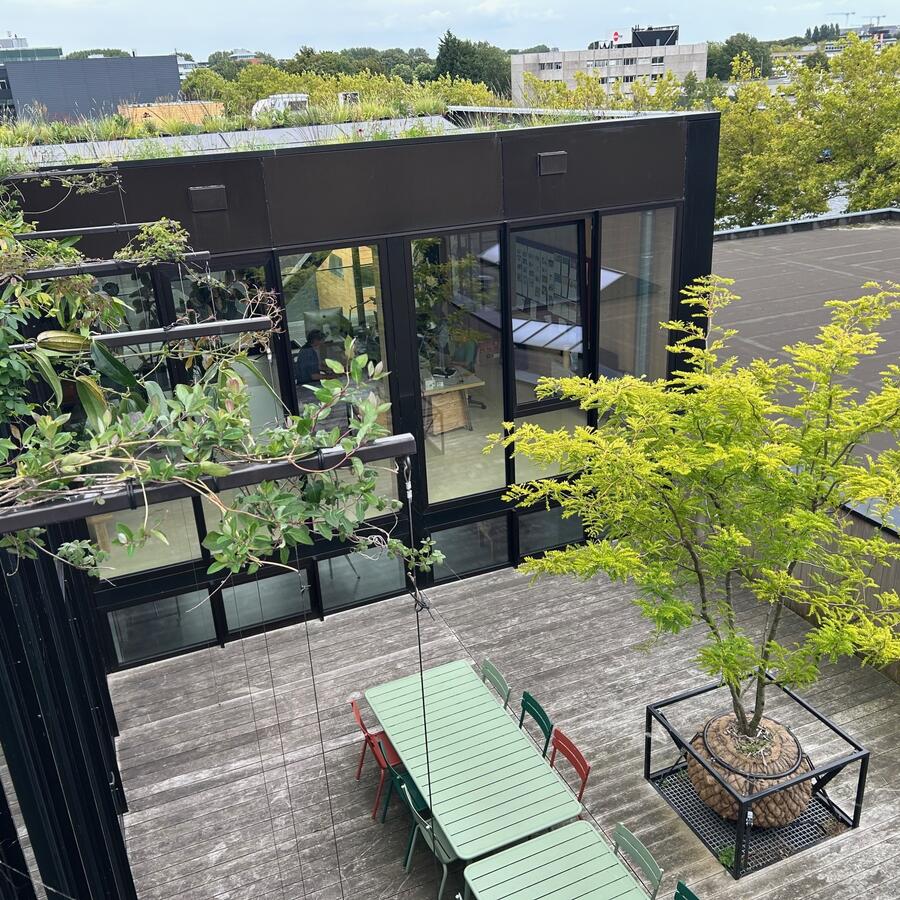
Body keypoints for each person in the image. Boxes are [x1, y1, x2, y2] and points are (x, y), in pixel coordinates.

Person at [295, 330, 326, 395]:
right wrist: (330, 376)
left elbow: (316, 367)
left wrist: (329, 369)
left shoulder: (305, 348)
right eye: (322, 340)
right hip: (308, 387)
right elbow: (314, 376)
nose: (323, 343)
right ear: (315, 340)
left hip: (305, 384)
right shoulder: (309, 352)